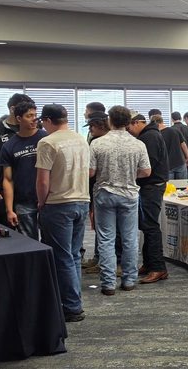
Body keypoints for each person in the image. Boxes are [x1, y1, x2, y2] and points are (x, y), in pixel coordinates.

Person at [35, 104, 90, 322]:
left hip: (58, 203)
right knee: (73, 256)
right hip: (82, 201)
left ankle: (72, 307)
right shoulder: (80, 139)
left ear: (47, 120)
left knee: (62, 257)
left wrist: (41, 202)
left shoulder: (47, 142)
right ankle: (74, 301)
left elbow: (42, 180)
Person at [90, 106, 150, 296]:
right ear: (127, 122)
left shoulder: (98, 143)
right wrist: (130, 175)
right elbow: (146, 171)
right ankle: (129, 280)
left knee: (106, 239)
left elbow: (90, 172)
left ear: (110, 120)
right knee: (130, 238)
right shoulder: (138, 144)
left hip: (104, 193)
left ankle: (108, 284)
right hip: (129, 194)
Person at [128, 111, 170, 285]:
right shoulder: (150, 135)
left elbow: (147, 167)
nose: (128, 131)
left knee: (151, 227)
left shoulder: (149, 137)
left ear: (137, 122)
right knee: (146, 226)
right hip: (150, 186)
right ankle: (149, 263)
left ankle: (158, 267)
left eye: (128, 127)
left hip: (152, 186)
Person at [0, 101, 46, 239]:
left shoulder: (46, 138)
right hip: (24, 201)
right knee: (30, 242)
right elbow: (7, 180)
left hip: (48, 199)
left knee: (50, 241)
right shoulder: (9, 145)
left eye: (35, 115)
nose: (34, 119)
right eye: (29, 116)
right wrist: (9, 210)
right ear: (19, 118)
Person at [0, 93, 34, 221]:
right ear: (12, 109)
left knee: (28, 231)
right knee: (4, 230)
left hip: (28, 189)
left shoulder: (32, 129)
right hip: (2, 187)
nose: (32, 118)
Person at [82, 110, 110, 274]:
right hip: (96, 188)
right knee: (100, 226)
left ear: (100, 125)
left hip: (102, 188)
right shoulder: (95, 139)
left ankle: (103, 261)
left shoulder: (99, 142)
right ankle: (99, 257)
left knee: (104, 228)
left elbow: (92, 170)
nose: (90, 129)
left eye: (92, 126)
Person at [154, 115, 188, 180]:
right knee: (183, 186)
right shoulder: (175, 130)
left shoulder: (156, 135)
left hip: (167, 165)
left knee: (170, 188)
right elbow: (183, 145)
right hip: (180, 162)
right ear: (162, 121)